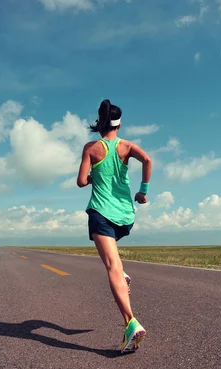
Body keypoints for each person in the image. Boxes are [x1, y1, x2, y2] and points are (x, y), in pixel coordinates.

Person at [76, 99, 152, 354]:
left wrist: (92, 177)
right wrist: (142, 192)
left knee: (111, 267)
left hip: (101, 213)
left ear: (101, 121)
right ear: (120, 124)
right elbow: (148, 161)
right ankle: (124, 276)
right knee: (115, 263)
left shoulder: (91, 148)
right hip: (125, 217)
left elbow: (80, 181)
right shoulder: (128, 147)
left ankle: (131, 323)